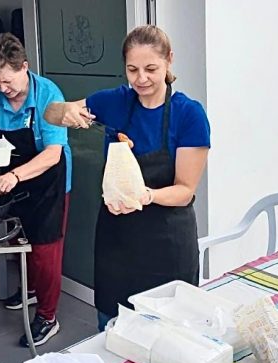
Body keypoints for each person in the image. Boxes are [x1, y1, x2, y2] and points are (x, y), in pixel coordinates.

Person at [44, 25, 210, 331]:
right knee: (113, 328)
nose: (141, 79)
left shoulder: (189, 114)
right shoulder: (114, 102)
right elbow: (50, 113)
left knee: (168, 336)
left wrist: (146, 195)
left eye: (151, 69)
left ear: (169, 61)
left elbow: (185, 190)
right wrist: (65, 111)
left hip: (167, 241)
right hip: (117, 240)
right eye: (132, 70)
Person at [0, 32, 72, 347]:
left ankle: (47, 317)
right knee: (16, 237)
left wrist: (14, 175)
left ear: (24, 66)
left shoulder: (49, 95)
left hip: (47, 179)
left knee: (44, 250)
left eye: (8, 82)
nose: (3, 89)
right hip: (9, 175)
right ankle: (29, 289)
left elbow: (52, 153)